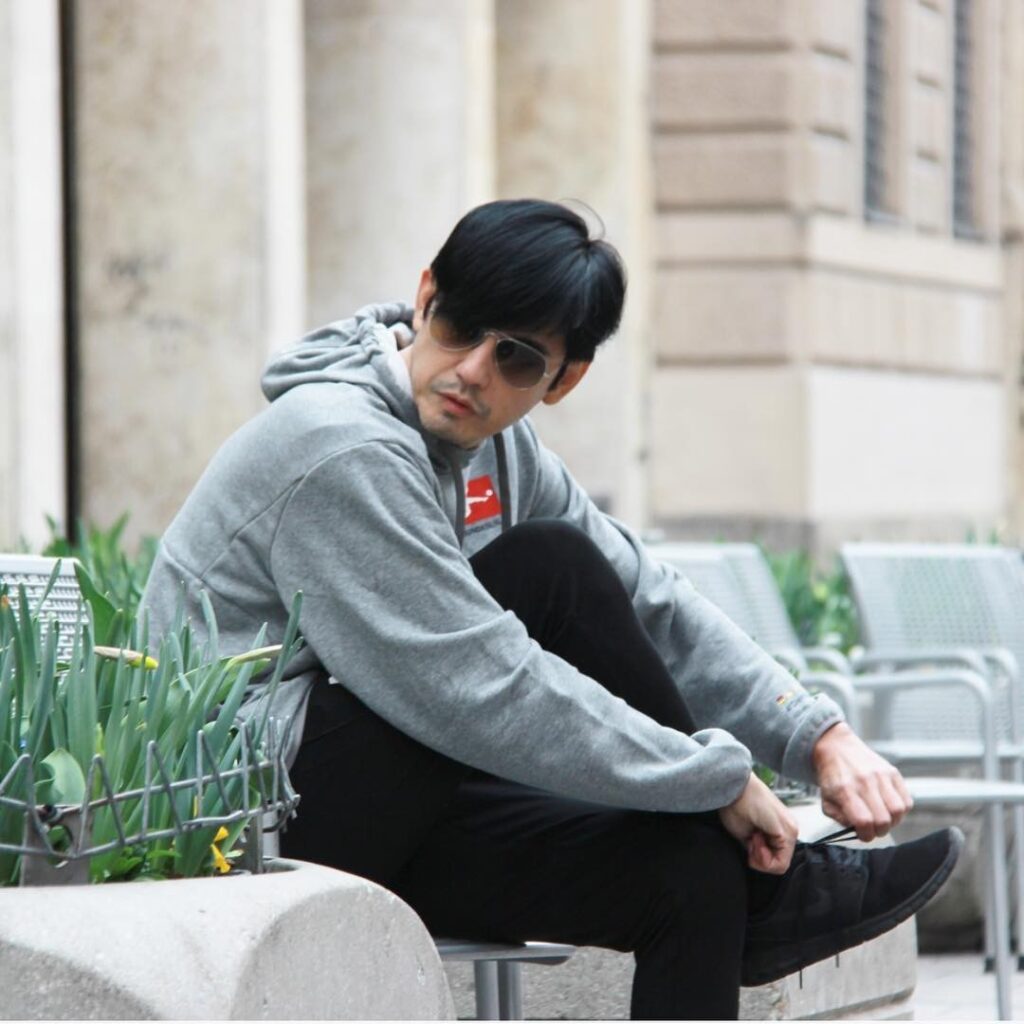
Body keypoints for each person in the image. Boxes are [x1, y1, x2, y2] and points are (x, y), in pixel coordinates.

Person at [142, 199, 961, 1019]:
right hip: (249, 815)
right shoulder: (337, 444)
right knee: (550, 567)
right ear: (425, 298)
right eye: (459, 326)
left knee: (690, 872)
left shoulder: (501, 451)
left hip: (388, 790)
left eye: (518, 358)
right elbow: (476, 681)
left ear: (564, 380)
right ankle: (776, 891)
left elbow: (646, 599)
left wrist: (816, 735)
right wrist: (713, 779)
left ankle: (757, 893)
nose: (472, 370)